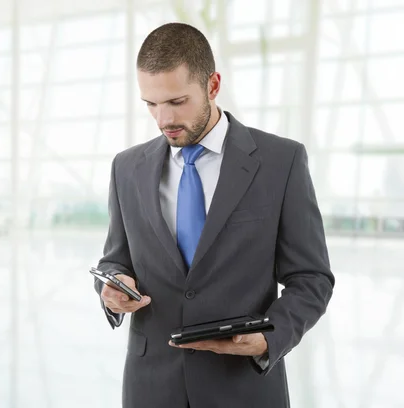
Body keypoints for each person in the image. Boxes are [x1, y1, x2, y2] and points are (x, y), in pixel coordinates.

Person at [93, 22, 335, 408]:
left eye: (176, 102)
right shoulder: (126, 168)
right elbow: (115, 258)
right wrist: (112, 289)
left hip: (243, 386)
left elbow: (312, 278)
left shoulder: (280, 161)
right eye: (151, 104)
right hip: (151, 388)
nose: (163, 119)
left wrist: (270, 337)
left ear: (213, 85)